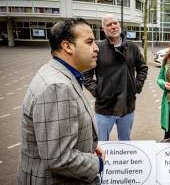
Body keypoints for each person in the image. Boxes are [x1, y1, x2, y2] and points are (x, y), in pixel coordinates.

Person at [17, 18, 105, 185]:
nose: (96, 48)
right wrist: (97, 163)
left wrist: (87, 149)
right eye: (89, 42)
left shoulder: (57, 73)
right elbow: (59, 158)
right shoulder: (57, 87)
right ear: (68, 46)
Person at [84, 14, 148, 141]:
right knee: (101, 144)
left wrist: (136, 86)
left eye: (115, 23)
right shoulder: (98, 48)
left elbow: (143, 68)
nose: (113, 26)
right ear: (103, 29)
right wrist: (96, 90)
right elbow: (86, 73)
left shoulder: (132, 47)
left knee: (125, 142)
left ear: (119, 25)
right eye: (109, 24)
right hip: (105, 107)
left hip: (127, 106)